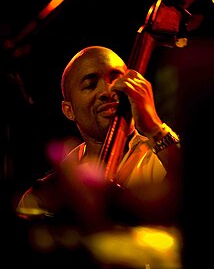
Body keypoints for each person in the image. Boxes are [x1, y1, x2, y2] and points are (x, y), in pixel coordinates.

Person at [15, 45, 182, 231]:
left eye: (116, 80)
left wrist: (154, 127)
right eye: (90, 85)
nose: (107, 91)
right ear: (69, 111)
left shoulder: (164, 158)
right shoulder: (49, 192)